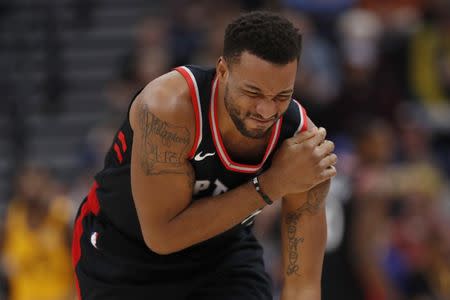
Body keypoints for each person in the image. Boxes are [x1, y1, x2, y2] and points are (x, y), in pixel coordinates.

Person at [72, 11, 337, 300]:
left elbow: (303, 284)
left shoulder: (303, 145)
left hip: (221, 256)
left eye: (281, 96)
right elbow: (162, 236)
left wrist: (275, 183)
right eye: (253, 92)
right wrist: (272, 184)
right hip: (123, 251)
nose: (266, 110)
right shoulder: (168, 109)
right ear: (222, 71)